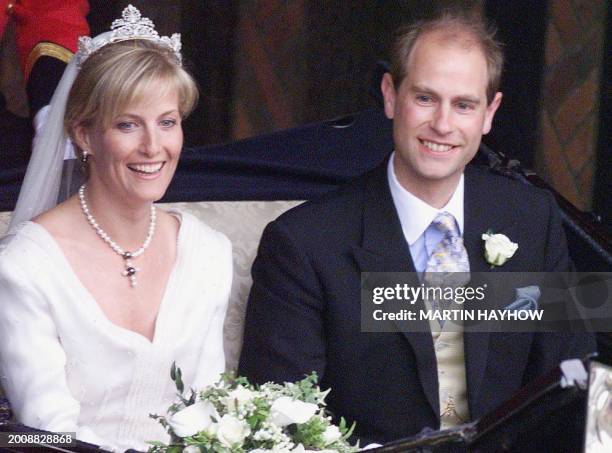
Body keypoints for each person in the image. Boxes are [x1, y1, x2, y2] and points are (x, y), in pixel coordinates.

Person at [238, 9, 596, 445]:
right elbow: (280, 425)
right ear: (391, 95)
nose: (443, 125)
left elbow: (571, 378)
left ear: (489, 113)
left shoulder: (530, 218)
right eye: (425, 98)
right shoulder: (304, 244)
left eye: (463, 105)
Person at [0, 5, 231, 451]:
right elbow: (51, 430)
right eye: (128, 124)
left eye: (167, 122)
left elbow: (211, 408)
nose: (153, 147)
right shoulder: (24, 268)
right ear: (84, 134)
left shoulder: (208, 252)